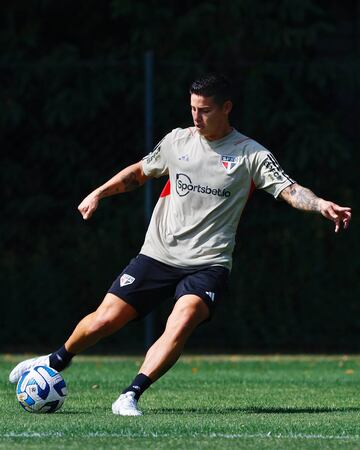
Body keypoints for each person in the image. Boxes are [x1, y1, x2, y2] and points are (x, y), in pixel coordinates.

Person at [9, 73, 352, 416]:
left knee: (184, 316)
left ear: (226, 108)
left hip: (208, 263)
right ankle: (55, 360)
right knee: (104, 320)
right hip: (158, 254)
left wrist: (320, 204)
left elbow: (290, 190)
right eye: (192, 108)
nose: (196, 117)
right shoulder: (177, 141)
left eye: (204, 110)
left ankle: (130, 394)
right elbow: (140, 172)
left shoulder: (250, 154)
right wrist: (98, 193)